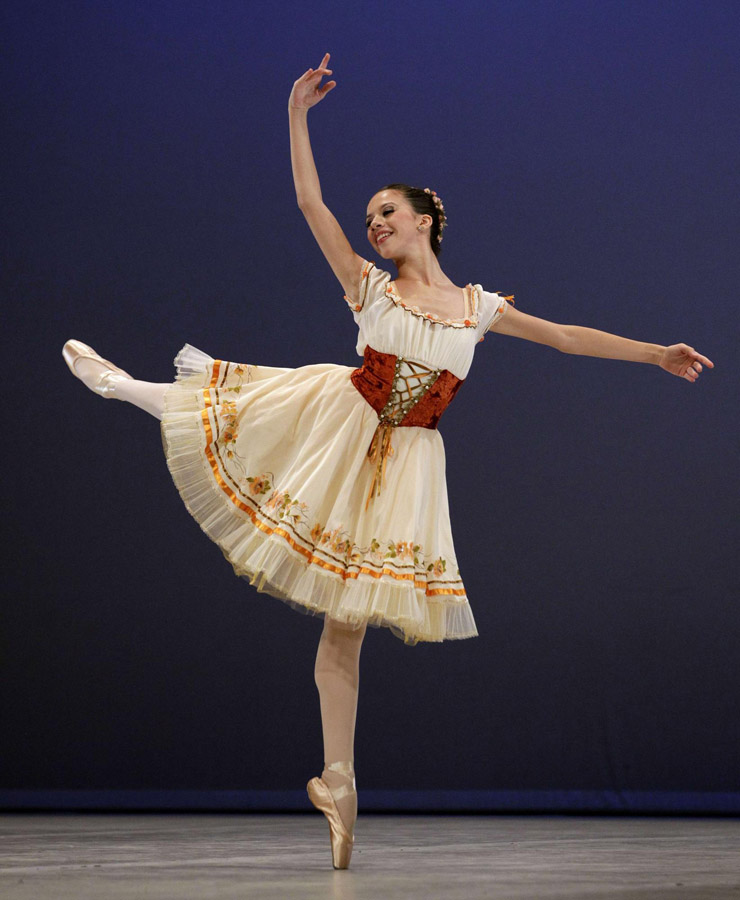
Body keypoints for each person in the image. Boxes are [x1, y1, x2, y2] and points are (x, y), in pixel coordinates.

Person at [62, 53, 714, 869]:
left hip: (405, 467)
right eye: (369, 216)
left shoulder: (479, 308)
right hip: (342, 422)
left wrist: (656, 354)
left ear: (424, 221)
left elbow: (567, 337)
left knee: (349, 623)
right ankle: (128, 387)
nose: (373, 224)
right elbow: (308, 201)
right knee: (234, 415)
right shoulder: (368, 288)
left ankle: (339, 781)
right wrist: (297, 115)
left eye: (385, 213)